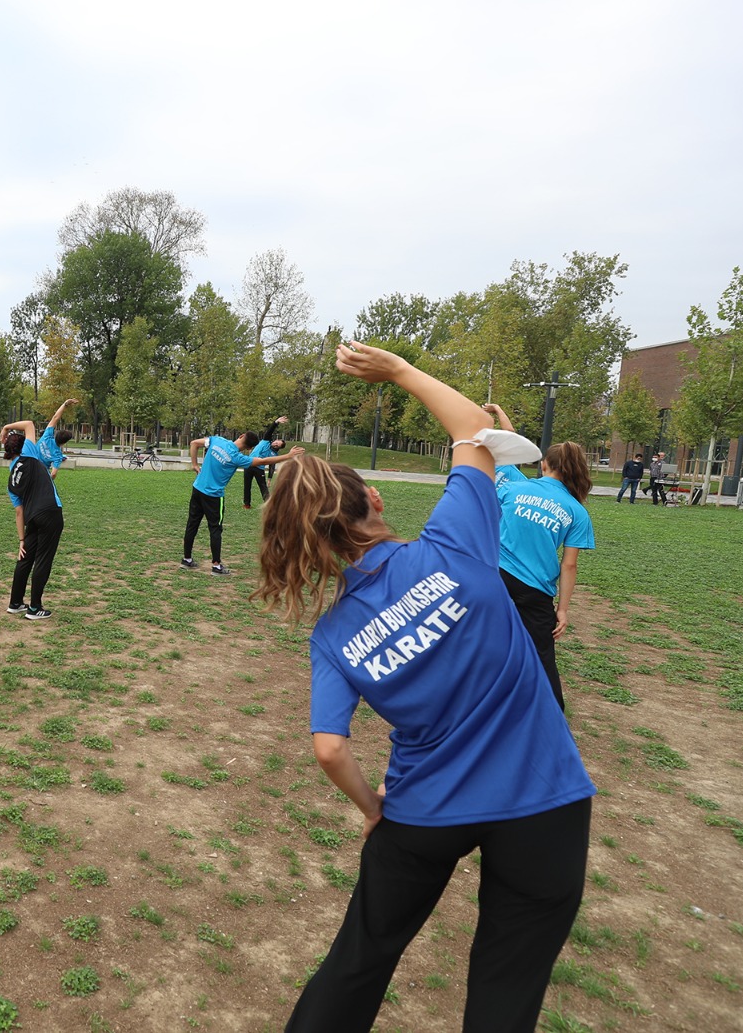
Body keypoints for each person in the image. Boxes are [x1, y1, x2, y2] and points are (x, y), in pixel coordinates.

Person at [256, 341, 595, 1033]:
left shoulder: (332, 635)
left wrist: (370, 809)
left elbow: (328, 748)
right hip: (543, 799)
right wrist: (400, 372)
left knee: (358, 962)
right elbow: (470, 428)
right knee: (506, 987)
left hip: (422, 810)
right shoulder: (456, 541)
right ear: (375, 500)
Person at [482, 405, 596, 711]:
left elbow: (508, 443)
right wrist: (563, 610)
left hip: (496, 578)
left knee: (482, 644)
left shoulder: (513, 488)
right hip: (536, 592)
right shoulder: (577, 511)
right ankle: (551, 720)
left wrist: (497, 412)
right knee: (542, 656)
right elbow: (569, 564)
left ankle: (469, 707)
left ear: (543, 464)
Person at [185, 430, 302, 574]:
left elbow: (194, 443)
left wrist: (195, 465)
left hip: (197, 489)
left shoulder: (217, 440)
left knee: (192, 523)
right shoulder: (238, 458)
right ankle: (216, 566)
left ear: (241, 436)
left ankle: (187, 559)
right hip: (214, 497)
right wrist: (288, 456)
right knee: (215, 529)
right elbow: (263, 461)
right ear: (249, 449)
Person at [2, 427, 64, 621]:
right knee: (43, 560)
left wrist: (21, 540)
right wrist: (6, 428)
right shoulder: (30, 453)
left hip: (32, 518)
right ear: (24, 446)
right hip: (50, 512)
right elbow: (29, 424)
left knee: (26, 557)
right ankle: (35, 608)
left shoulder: (12, 477)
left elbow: (19, 512)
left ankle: (16, 603)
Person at [242, 415, 290, 508]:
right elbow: (270, 431)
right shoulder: (266, 441)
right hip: (249, 464)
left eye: (278, 445)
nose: (275, 444)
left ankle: (269, 504)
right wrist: (276, 422)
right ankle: (247, 504)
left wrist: (269, 479)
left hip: (259, 468)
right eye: (276, 442)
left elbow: (272, 466)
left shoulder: (274, 454)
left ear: (279, 448)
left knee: (263, 487)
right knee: (247, 485)